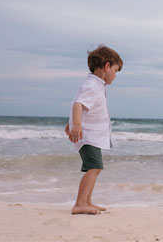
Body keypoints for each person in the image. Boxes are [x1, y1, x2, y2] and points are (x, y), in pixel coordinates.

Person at [64, 45, 123, 215]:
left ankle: (87, 201)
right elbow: (78, 104)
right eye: (115, 70)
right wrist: (76, 124)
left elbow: (79, 105)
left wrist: (73, 122)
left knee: (95, 167)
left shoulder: (95, 85)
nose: (115, 75)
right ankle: (80, 203)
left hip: (91, 135)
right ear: (107, 66)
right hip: (88, 136)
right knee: (94, 167)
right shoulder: (92, 85)